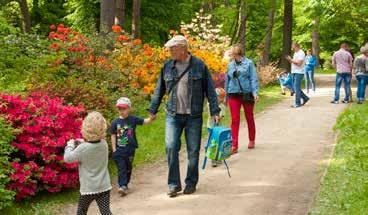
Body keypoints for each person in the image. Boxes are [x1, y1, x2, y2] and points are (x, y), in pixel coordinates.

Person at [148, 35, 221, 198]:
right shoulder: (167, 66)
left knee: (193, 150)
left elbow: (210, 89)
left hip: (193, 115)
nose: (170, 52)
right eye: (169, 49)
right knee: (171, 147)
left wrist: (215, 111)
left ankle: (191, 182)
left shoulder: (199, 65)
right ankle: (174, 184)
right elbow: (159, 89)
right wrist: (153, 109)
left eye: (172, 49)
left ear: (183, 49)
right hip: (173, 115)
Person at [64, 111, 112, 215]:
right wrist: (83, 141)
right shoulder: (104, 144)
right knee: (105, 212)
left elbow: (68, 158)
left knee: (81, 212)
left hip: (88, 189)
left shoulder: (82, 148)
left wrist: (70, 145)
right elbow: (92, 145)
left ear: (85, 128)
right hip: (104, 186)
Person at [110, 97, 154, 196]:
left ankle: (125, 183)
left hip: (130, 150)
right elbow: (112, 135)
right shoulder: (115, 122)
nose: (122, 111)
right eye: (119, 109)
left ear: (129, 109)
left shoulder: (133, 119)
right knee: (121, 168)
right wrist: (114, 149)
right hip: (119, 151)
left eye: (124, 109)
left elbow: (144, 121)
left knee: (128, 168)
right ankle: (122, 185)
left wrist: (151, 118)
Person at [225, 44, 259, 154]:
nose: (232, 56)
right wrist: (225, 95)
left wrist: (255, 93)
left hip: (246, 93)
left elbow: (254, 79)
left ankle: (252, 139)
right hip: (233, 93)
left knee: (249, 117)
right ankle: (234, 145)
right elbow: (227, 80)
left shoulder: (249, 63)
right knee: (235, 119)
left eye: (233, 54)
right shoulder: (230, 65)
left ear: (237, 54)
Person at [207, 87, 226, 167]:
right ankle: (213, 159)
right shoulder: (209, 104)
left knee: (219, 142)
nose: (221, 99)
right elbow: (210, 112)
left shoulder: (222, 106)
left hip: (218, 128)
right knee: (213, 143)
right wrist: (215, 114)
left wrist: (219, 116)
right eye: (219, 97)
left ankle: (218, 157)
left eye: (222, 97)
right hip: (211, 127)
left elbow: (222, 115)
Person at [286, 42, 309, 108]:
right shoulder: (296, 53)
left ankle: (297, 103)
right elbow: (293, 62)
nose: (292, 49)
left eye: (293, 47)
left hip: (299, 72)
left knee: (296, 88)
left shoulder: (301, 53)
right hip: (294, 71)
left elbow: (299, 64)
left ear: (296, 47)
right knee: (295, 88)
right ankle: (305, 98)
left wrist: (291, 59)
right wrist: (289, 60)